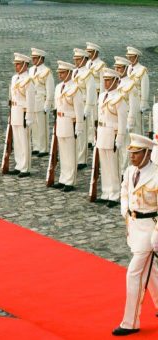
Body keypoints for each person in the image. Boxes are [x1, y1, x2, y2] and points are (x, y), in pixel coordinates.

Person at [112, 133, 158, 336]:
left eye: (137, 153)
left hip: (150, 228)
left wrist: (156, 235)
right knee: (151, 270)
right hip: (134, 227)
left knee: (133, 273)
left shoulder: (156, 175)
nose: (132, 157)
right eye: (131, 153)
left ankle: (130, 322)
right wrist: (125, 208)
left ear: (148, 153)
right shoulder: (131, 171)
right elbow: (124, 189)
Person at [96, 68, 127, 208]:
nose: (106, 83)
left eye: (109, 80)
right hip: (102, 132)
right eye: (105, 80)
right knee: (104, 164)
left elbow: (122, 121)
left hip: (112, 133)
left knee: (113, 165)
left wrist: (119, 138)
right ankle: (106, 192)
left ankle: (115, 194)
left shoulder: (120, 98)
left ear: (116, 81)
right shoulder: (102, 96)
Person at [51, 61, 83, 192]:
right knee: (63, 153)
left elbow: (79, 110)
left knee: (70, 153)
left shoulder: (75, 88)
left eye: (63, 72)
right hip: (60, 121)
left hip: (70, 122)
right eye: (59, 73)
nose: (60, 75)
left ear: (69, 72)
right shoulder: (58, 87)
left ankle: (70, 180)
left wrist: (79, 126)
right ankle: (63, 178)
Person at [7, 53, 35, 177]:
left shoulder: (28, 80)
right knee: (17, 140)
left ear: (25, 65)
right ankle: (18, 164)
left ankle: (25, 168)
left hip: (23, 112)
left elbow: (30, 100)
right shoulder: (14, 78)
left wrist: (29, 115)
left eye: (18, 64)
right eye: (16, 64)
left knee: (24, 141)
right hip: (15, 111)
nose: (16, 66)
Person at [72, 48, 95, 170]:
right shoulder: (74, 72)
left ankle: (82, 159)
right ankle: (75, 156)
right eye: (75, 59)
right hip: (73, 106)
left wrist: (87, 109)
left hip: (83, 104)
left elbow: (91, 93)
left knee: (82, 133)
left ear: (84, 60)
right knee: (74, 133)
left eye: (78, 59)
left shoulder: (88, 74)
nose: (75, 61)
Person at [29, 48, 54, 157]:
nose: (33, 60)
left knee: (42, 126)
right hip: (32, 101)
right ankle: (36, 146)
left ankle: (43, 148)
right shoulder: (30, 70)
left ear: (41, 58)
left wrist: (48, 104)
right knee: (34, 125)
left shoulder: (46, 71)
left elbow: (50, 89)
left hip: (41, 100)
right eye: (33, 58)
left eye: (35, 58)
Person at [126, 46, 150, 136]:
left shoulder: (142, 70)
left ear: (137, 57)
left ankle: (139, 144)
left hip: (138, 100)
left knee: (137, 124)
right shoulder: (126, 68)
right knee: (128, 122)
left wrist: (143, 104)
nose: (130, 59)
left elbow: (145, 87)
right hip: (127, 100)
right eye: (129, 57)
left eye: (132, 57)